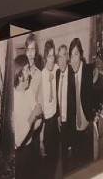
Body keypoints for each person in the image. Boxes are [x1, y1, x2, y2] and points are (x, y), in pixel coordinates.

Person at [58, 38, 97, 173]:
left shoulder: (89, 71)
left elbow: (97, 93)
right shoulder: (69, 75)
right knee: (76, 164)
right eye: (71, 55)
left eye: (76, 54)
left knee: (89, 164)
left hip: (88, 125)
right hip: (74, 129)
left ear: (81, 55)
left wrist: (94, 117)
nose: (73, 59)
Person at [11, 54, 44, 177]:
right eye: (27, 70)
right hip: (18, 156)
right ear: (20, 76)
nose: (30, 74)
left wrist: (28, 127)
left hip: (31, 148)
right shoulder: (11, 101)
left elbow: (39, 119)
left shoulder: (29, 92)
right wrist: (33, 115)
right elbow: (18, 140)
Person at [39, 39, 61, 177]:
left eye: (53, 56)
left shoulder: (57, 69)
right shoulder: (41, 76)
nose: (51, 60)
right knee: (48, 163)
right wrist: (41, 138)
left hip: (55, 121)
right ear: (45, 57)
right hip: (45, 124)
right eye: (49, 56)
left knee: (56, 157)